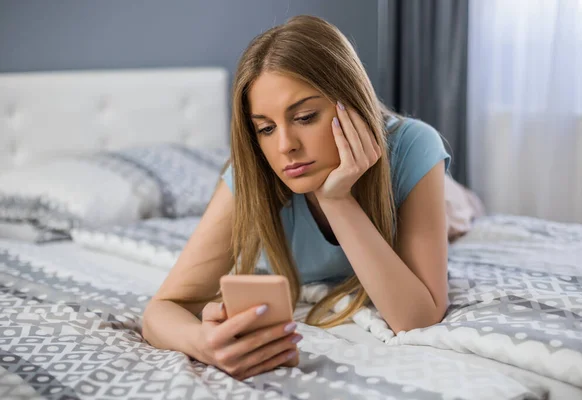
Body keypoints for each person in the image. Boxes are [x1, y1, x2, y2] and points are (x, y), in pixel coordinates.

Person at [142, 15, 451, 381]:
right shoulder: (253, 173)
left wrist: (337, 200)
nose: (286, 146)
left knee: (458, 214)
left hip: (396, 168)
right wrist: (202, 341)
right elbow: (161, 310)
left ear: (350, 102)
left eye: (304, 117)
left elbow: (417, 318)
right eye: (266, 128)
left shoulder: (414, 144)